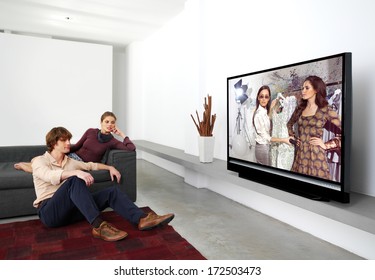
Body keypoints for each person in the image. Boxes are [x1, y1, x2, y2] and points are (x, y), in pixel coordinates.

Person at [32, 126, 174, 242]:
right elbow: (48, 175)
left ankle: (141, 219)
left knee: (112, 192)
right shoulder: (39, 160)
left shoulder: (70, 161)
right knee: (75, 180)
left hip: (71, 210)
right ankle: (99, 227)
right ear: (53, 143)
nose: (69, 142)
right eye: (64, 140)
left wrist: (110, 167)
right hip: (50, 213)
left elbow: (91, 165)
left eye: (69, 139)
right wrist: (75, 173)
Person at [14, 111, 135, 173]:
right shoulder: (91, 131)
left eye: (112, 122)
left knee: (49, 170)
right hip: (71, 156)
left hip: (81, 164)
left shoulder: (112, 141)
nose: (109, 125)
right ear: (101, 122)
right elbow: (77, 146)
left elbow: (131, 148)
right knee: (43, 160)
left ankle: (27, 167)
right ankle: (31, 164)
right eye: (107, 121)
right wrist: (59, 152)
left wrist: (122, 134)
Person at [287, 75, 341, 180]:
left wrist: (327, 145)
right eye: (302, 88)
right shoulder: (300, 109)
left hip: (317, 157)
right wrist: (293, 138)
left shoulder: (325, 110)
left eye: (307, 88)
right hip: (301, 156)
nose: (303, 91)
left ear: (316, 90)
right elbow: (289, 124)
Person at [252, 85, 292, 165]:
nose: (264, 99)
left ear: (269, 98)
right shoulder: (258, 115)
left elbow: (269, 113)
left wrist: (277, 100)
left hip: (266, 147)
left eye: (266, 97)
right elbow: (267, 138)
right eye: (261, 96)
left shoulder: (265, 111)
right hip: (262, 148)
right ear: (258, 98)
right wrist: (284, 139)